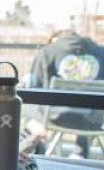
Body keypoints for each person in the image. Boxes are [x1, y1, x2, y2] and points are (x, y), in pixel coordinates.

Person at [24, 29, 104, 157]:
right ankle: (80, 154)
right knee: (85, 109)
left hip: (55, 117)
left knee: (25, 106)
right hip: (93, 120)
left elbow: (33, 87)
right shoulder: (101, 53)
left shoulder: (47, 52)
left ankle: (33, 142)